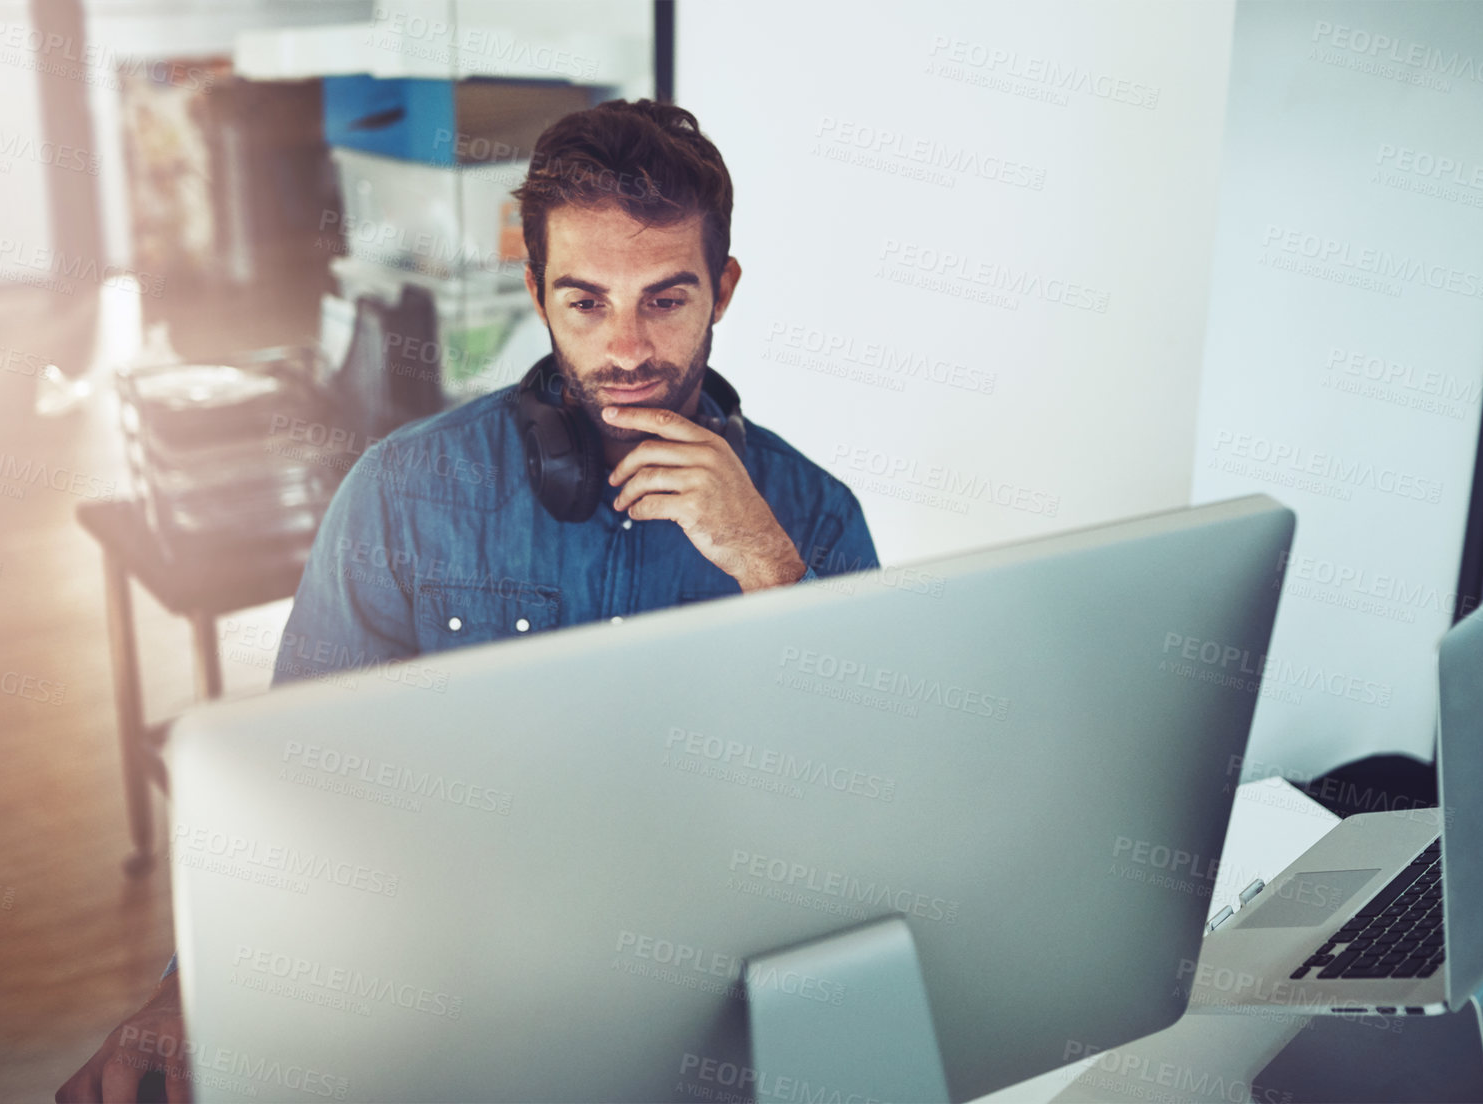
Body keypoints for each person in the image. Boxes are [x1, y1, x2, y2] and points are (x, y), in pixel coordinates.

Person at [57, 98, 877, 1104]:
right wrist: (192, 995)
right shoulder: (401, 498)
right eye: (585, 303)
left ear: (724, 290)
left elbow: (868, 815)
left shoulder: (814, 522)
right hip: (457, 1007)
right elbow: (302, 791)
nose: (626, 351)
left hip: (717, 1023)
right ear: (535, 291)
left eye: (666, 300)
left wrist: (768, 569)